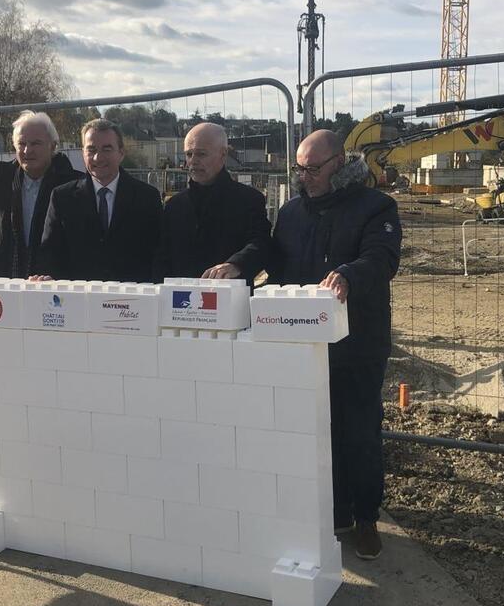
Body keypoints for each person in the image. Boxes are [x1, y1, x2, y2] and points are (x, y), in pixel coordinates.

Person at [268, 129, 402, 560]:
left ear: (340, 164)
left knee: (359, 432)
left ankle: (366, 520)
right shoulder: (290, 214)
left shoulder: (375, 206)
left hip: (357, 344)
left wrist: (347, 274)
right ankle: (333, 511)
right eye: (299, 168)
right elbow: (276, 267)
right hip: (303, 347)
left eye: (312, 168)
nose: (303, 176)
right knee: (315, 432)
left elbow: (382, 258)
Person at [34, 118, 161, 282]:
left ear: (121, 153)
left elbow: (158, 254)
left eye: (106, 149)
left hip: (131, 302)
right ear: (82, 153)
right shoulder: (62, 197)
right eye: (91, 149)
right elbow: (49, 253)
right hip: (78, 300)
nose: (97, 157)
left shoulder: (147, 197)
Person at [154, 122, 271, 285]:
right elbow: (162, 257)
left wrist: (236, 264)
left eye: (201, 154)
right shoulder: (175, 206)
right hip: (181, 303)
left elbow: (261, 243)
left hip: (229, 300)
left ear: (223, 155)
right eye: (189, 154)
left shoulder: (248, 200)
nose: (193, 161)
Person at [0, 111, 82, 278]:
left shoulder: (76, 188)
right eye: (22, 143)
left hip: (59, 293)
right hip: (7, 294)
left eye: (36, 143)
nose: (28, 150)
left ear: (53, 146)